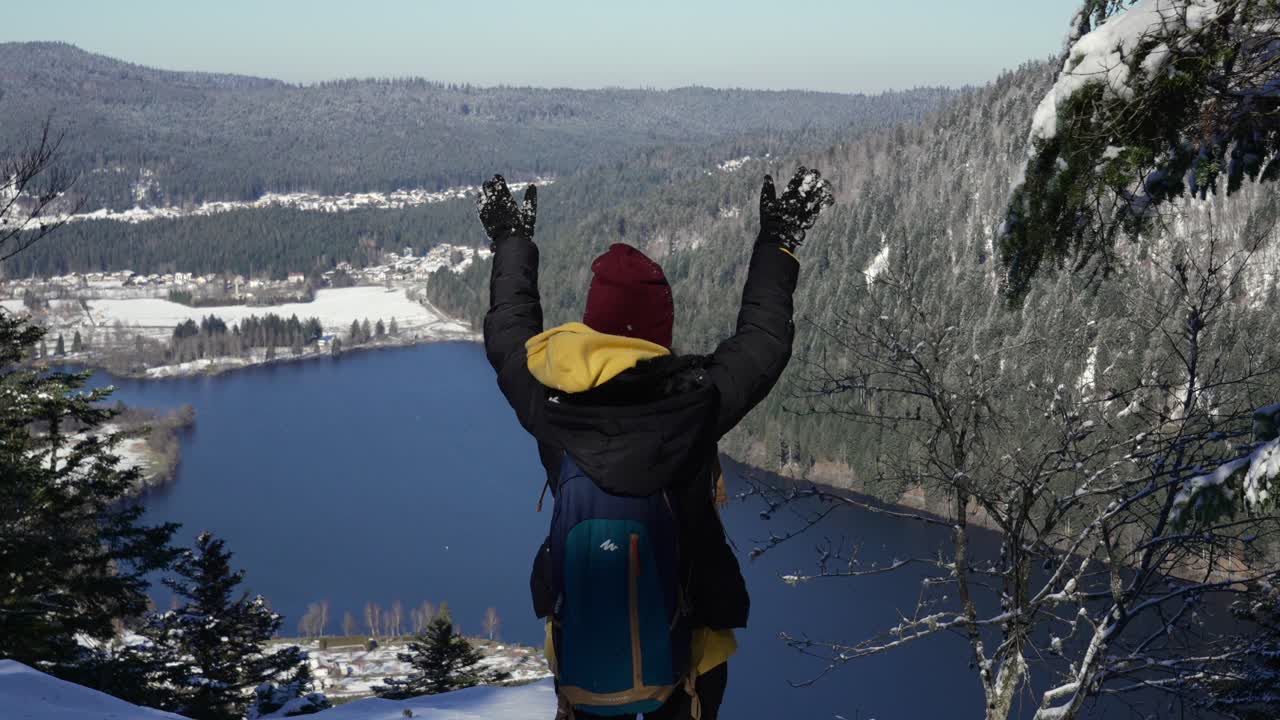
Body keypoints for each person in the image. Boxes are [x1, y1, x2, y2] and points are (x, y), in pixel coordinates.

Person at [477, 167, 833, 719]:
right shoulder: (696, 403)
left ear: (592, 326)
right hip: (692, 659)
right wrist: (778, 242)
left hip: (583, 655)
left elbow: (507, 332)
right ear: (658, 332)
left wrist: (511, 242)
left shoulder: (551, 404)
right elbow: (764, 339)